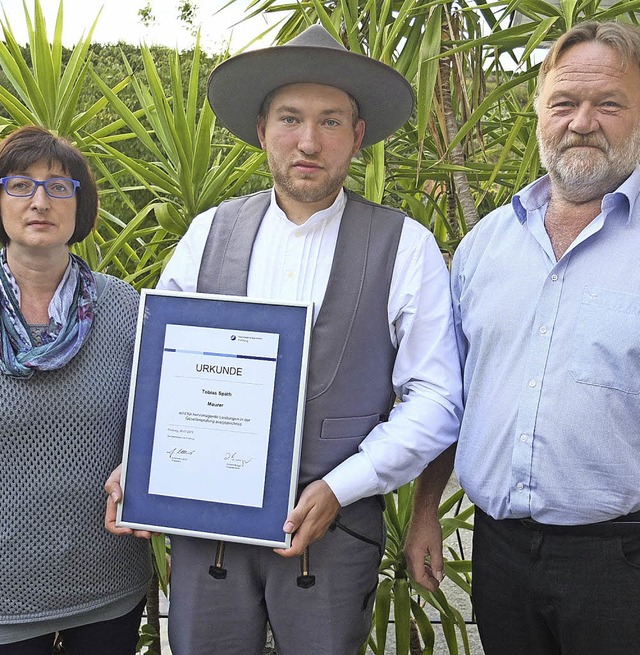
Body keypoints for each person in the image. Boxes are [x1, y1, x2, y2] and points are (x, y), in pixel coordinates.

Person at [105, 24, 462, 655]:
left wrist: (341, 487)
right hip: (204, 528)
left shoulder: (406, 247)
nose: (307, 141)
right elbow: (160, 369)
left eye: (330, 122)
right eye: (290, 118)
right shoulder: (208, 232)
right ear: (263, 130)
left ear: (357, 136)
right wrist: (142, 463)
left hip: (333, 529)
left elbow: (435, 398)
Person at [405, 19, 640, 655]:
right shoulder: (485, 246)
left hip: (619, 562)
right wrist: (426, 510)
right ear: (539, 112)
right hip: (499, 552)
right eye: (564, 102)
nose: (583, 121)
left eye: (609, 104)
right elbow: (452, 392)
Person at [0, 126, 152, 654]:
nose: (40, 201)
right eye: (20, 185)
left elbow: (161, 420)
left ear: (79, 207)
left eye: (60, 188)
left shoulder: (125, 309)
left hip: (107, 581)